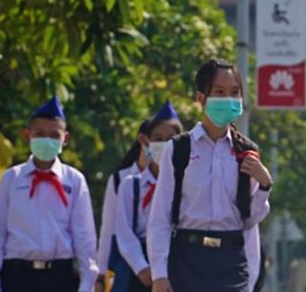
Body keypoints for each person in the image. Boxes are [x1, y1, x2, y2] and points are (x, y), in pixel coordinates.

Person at [147, 60, 273, 292]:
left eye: (234, 92)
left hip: (230, 263)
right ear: (201, 98)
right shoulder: (179, 149)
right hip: (187, 259)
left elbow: (249, 221)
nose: (228, 99)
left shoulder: (245, 151)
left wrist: (264, 185)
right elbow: (160, 218)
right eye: (219, 92)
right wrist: (159, 274)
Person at [0, 96, 99, 292]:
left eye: (54, 135)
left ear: (65, 139)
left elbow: (85, 240)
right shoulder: (12, 179)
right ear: (28, 136)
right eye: (40, 133)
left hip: (59, 277)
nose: (47, 140)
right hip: (17, 276)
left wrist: (87, 285)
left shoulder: (74, 181)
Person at [111, 100, 185, 292]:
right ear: (147, 142)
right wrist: (142, 267)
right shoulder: (131, 185)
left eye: (170, 138)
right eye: (158, 138)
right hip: (140, 270)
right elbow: (124, 233)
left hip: (178, 263)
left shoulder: (189, 185)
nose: (164, 144)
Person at [97, 121, 150, 292]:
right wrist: (101, 274)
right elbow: (109, 230)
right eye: (158, 138)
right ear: (142, 139)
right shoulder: (120, 180)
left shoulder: (175, 180)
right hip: (126, 266)